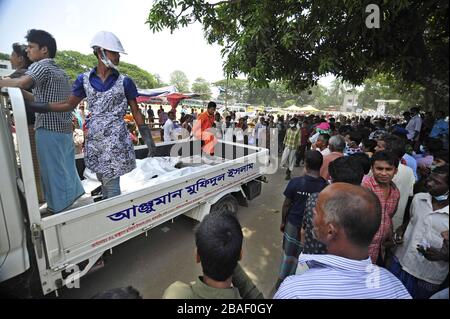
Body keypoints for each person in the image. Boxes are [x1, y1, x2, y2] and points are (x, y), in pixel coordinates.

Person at [25, 31, 156, 200]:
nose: (117, 58)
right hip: (95, 140)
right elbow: (68, 104)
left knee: (111, 182)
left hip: (115, 139)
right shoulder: (84, 79)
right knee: (103, 178)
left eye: (118, 54)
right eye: (114, 53)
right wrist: (42, 106)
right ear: (100, 52)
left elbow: (136, 111)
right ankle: (108, 208)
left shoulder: (125, 81)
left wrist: (148, 138)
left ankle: (111, 214)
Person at [274, 183, 411, 299]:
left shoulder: (295, 291)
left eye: (316, 213)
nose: (312, 217)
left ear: (330, 231)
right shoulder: (395, 286)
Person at [0, 29, 85, 213]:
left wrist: (3, 82)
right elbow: (39, 98)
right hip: (63, 130)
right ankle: (69, 200)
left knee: (51, 172)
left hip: (47, 128)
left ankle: (58, 209)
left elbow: (21, 82)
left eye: (31, 47)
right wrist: (22, 93)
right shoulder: (60, 71)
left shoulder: (40, 65)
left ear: (44, 50)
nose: (28, 51)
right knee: (66, 168)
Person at [163, 212, 264, 299]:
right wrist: (228, 257)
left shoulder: (176, 294)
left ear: (197, 256)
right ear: (240, 255)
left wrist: (220, 255)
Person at [389, 166, 449, 299]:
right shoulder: (419, 198)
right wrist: (401, 230)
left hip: (428, 275)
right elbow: (412, 220)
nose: (429, 183)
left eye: (437, 182)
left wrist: (443, 256)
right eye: (430, 179)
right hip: (401, 261)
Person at [277, 150, 328, 287]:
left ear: (305, 163)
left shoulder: (295, 182)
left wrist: (283, 221)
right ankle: (297, 282)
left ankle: (282, 279)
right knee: (303, 256)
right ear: (321, 165)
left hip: (293, 224)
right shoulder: (325, 187)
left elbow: (286, 204)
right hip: (311, 229)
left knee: (288, 253)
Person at [301, 156, 365, 255]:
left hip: (311, 257)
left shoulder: (315, 199)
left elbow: (303, 230)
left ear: (331, 179)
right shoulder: (365, 209)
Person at [362, 151, 400, 265]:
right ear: (372, 169)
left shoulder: (395, 192)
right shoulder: (364, 187)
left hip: (380, 249)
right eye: (379, 168)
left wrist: (390, 235)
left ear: (395, 171)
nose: (384, 173)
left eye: (388, 169)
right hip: (361, 249)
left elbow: (388, 216)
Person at [375, 134, 416, 231]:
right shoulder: (409, 171)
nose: (375, 148)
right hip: (395, 223)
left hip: (375, 223)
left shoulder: (375, 170)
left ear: (388, 151)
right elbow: (410, 194)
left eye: (379, 146)